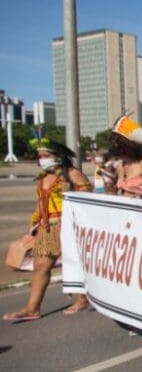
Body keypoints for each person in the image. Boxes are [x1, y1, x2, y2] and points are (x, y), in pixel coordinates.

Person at [3, 134, 92, 321]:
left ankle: (83, 298)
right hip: (46, 227)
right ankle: (32, 308)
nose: (42, 160)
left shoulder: (72, 174)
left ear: (58, 156)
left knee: (74, 261)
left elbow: (88, 198)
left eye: (46, 156)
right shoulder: (43, 178)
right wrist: (34, 223)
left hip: (68, 225)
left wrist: (70, 191)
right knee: (40, 265)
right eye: (40, 156)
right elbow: (40, 203)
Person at [109, 115, 142, 200]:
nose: (114, 144)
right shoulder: (120, 165)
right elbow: (119, 191)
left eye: (117, 141)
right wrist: (111, 190)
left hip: (141, 209)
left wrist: (141, 197)